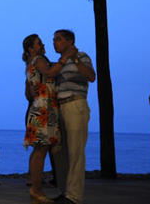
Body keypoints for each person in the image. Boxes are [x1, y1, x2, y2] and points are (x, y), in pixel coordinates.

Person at [22, 34, 70, 204]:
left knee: (39, 150)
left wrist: (33, 93)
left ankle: (36, 189)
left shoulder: (29, 64)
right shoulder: (39, 59)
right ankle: (36, 190)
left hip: (39, 106)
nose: (42, 44)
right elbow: (50, 72)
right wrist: (65, 59)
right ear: (31, 48)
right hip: (44, 108)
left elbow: (27, 93)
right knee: (41, 150)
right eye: (38, 43)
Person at [51, 29, 95, 204]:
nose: (55, 42)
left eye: (59, 39)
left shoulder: (82, 57)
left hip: (75, 105)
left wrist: (74, 58)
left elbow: (91, 76)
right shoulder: (59, 63)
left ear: (70, 41)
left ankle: (74, 196)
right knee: (61, 152)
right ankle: (65, 191)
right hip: (61, 107)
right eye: (54, 40)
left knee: (76, 151)